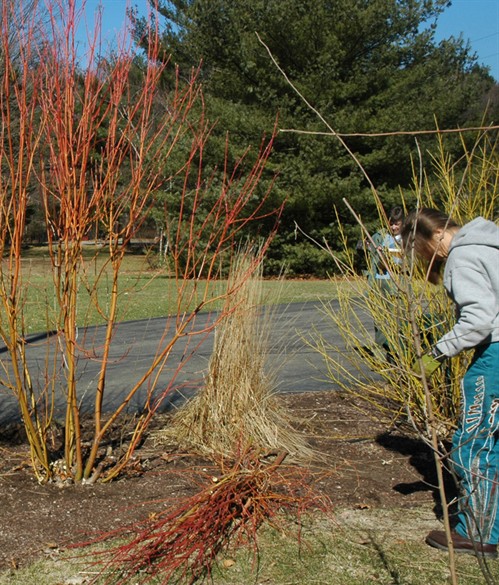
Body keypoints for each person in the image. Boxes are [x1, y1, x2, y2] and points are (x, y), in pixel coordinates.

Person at [401, 207, 499, 559]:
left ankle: (479, 533)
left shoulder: (463, 254)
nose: (428, 257)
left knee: (475, 444)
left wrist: (437, 353)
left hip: (495, 355)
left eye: (421, 249)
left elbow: (479, 319)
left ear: (435, 235)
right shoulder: (491, 243)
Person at [366, 206, 405, 360]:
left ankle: (400, 354)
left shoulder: (409, 239)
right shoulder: (380, 236)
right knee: (380, 321)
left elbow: (412, 264)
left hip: (398, 286)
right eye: (391, 223)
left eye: (397, 224)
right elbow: (368, 256)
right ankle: (383, 354)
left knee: (399, 322)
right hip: (380, 284)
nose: (393, 227)